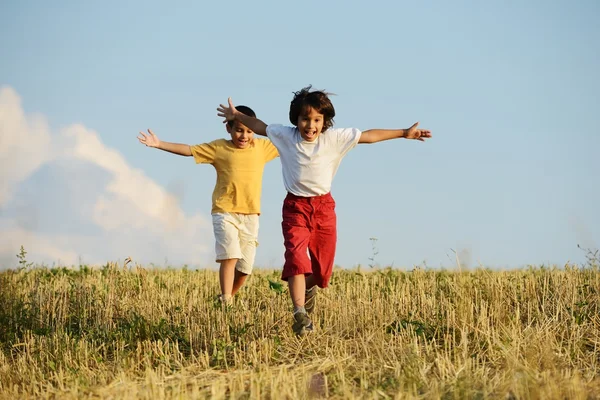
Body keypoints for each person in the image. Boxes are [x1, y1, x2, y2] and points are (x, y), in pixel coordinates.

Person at [218, 86, 432, 335]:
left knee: (321, 272)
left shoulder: (334, 139)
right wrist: (236, 115)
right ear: (296, 120)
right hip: (295, 208)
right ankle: (299, 313)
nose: (310, 125)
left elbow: (368, 136)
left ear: (325, 122)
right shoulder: (285, 136)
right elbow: (259, 125)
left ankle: (308, 291)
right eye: (305, 119)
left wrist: (404, 133)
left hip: (324, 209)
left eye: (317, 120)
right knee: (297, 260)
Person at [137, 106, 279, 305]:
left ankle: (226, 298)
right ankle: (226, 300)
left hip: (251, 215)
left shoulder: (263, 148)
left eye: (249, 131)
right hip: (225, 212)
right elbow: (189, 150)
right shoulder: (219, 148)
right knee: (230, 256)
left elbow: (289, 141)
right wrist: (159, 143)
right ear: (228, 128)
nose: (244, 135)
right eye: (239, 130)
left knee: (245, 268)